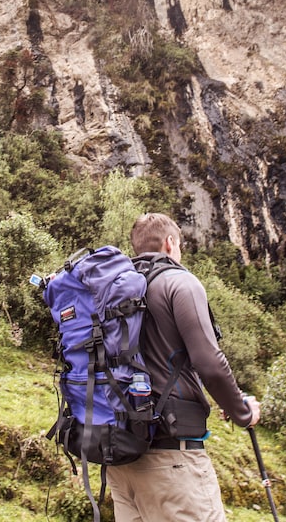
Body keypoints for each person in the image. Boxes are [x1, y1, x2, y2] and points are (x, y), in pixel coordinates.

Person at [107, 212, 262, 521]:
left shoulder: (115, 291)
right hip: (171, 458)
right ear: (171, 243)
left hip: (121, 460)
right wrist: (243, 412)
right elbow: (211, 364)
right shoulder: (180, 282)